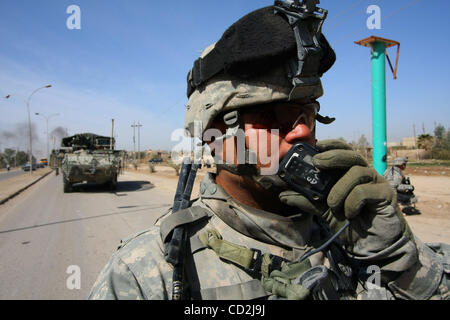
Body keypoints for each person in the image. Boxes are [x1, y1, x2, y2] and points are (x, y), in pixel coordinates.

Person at [89, 1, 449, 300]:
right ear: (215, 135)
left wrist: (401, 259)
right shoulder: (149, 273)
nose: (304, 130)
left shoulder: (350, 233)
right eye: (270, 115)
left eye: (308, 112)